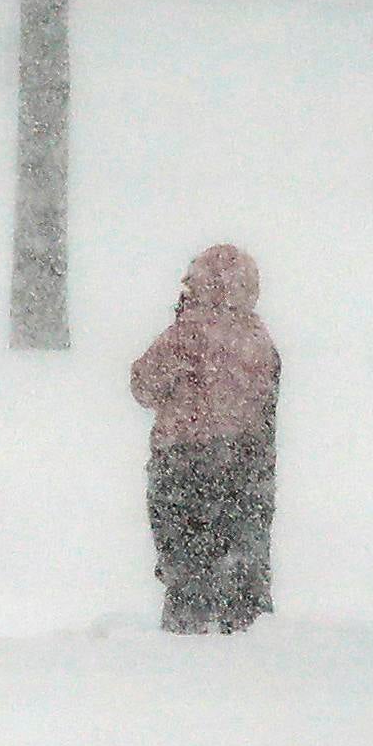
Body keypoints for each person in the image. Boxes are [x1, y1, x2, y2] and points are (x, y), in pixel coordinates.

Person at [130, 244, 278, 632]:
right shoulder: (260, 341)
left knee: (185, 549)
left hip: (182, 459)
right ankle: (243, 619)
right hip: (245, 460)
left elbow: (144, 385)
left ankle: (187, 622)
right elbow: (267, 408)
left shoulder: (186, 336)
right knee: (240, 545)